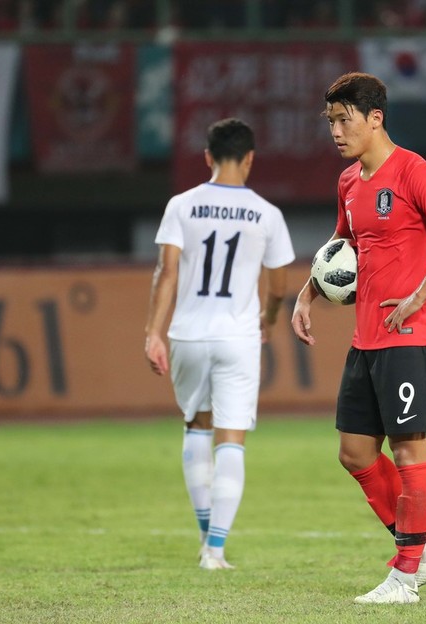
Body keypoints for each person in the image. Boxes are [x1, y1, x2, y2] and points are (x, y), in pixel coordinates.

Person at [291, 72, 426, 605]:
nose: (335, 131)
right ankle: (423, 550)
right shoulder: (350, 183)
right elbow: (340, 245)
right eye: (330, 121)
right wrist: (307, 293)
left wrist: (420, 295)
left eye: (344, 119)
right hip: (367, 338)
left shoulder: (416, 172)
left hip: (412, 336)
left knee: (412, 455)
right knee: (354, 454)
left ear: (376, 118)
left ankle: (405, 576)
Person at [145, 118, 295, 570]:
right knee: (232, 439)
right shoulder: (267, 214)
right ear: (250, 159)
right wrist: (268, 319)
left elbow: (166, 273)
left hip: (188, 334)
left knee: (196, 426)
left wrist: (153, 331)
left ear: (207, 157)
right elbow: (280, 286)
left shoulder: (182, 205)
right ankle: (215, 550)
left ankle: (204, 534)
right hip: (237, 336)